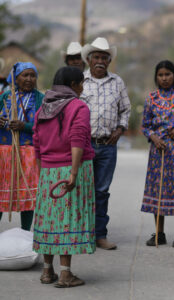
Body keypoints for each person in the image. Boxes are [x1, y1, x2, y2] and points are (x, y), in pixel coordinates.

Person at [32, 66, 95, 287]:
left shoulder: (43, 109)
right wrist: (74, 174)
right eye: (81, 83)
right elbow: (77, 139)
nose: (82, 87)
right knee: (67, 221)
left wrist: (42, 175)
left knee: (50, 221)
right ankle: (66, 274)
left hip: (48, 171)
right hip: (72, 168)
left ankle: (47, 272)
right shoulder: (79, 107)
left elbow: (37, 145)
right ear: (73, 85)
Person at [80, 37, 131, 250]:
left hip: (108, 146)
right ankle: (81, 234)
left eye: (104, 57)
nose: (100, 61)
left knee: (101, 191)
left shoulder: (117, 82)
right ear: (89, 60)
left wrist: (120, 130)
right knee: (83, 190)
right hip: (84, 145)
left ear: (109, 61)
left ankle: (100, 235)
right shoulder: (80, 81)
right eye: (96, 57)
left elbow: (126, 110)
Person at [141, 60, 174, 247]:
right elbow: (145, 125)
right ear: (156, 77)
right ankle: (159, 232)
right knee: (158, 190)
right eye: (160, 75)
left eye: (167, 74)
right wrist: (154, 138)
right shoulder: (151, 98)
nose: (164, 78)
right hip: (159, 151)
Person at [0, 62, 44, 230]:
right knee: (2, 192)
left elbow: (45, 126)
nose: (29, 79)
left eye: (32, 75)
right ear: (16, 78)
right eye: (25, 75)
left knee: (27, 193)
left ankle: (25, 233)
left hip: (29, 153)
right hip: (4, 152)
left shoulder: (40, 98)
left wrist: (25, 126)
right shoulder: (5, 96)